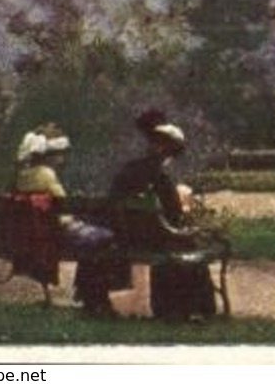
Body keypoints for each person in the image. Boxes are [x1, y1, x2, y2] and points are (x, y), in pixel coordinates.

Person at [104, 108, 216, 322]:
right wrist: (185, 207)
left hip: (128, 235)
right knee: (189, 244)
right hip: (156, 235)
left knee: (172, 239)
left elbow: (114, 200)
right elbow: (174, 215)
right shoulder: (160, 176)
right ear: (165, 151)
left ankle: (169, 306)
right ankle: (194, 308)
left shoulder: (128, 169)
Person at [11, 123, 116, 317]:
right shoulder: (46, 174)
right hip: (56, 232)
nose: (63, 158)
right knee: (106, 237)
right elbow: (65, 203)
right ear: (49, 154)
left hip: (37, 230)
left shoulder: (23, 175)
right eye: (60, 153)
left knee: (96, 235)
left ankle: (89, 295)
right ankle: (95, 298)